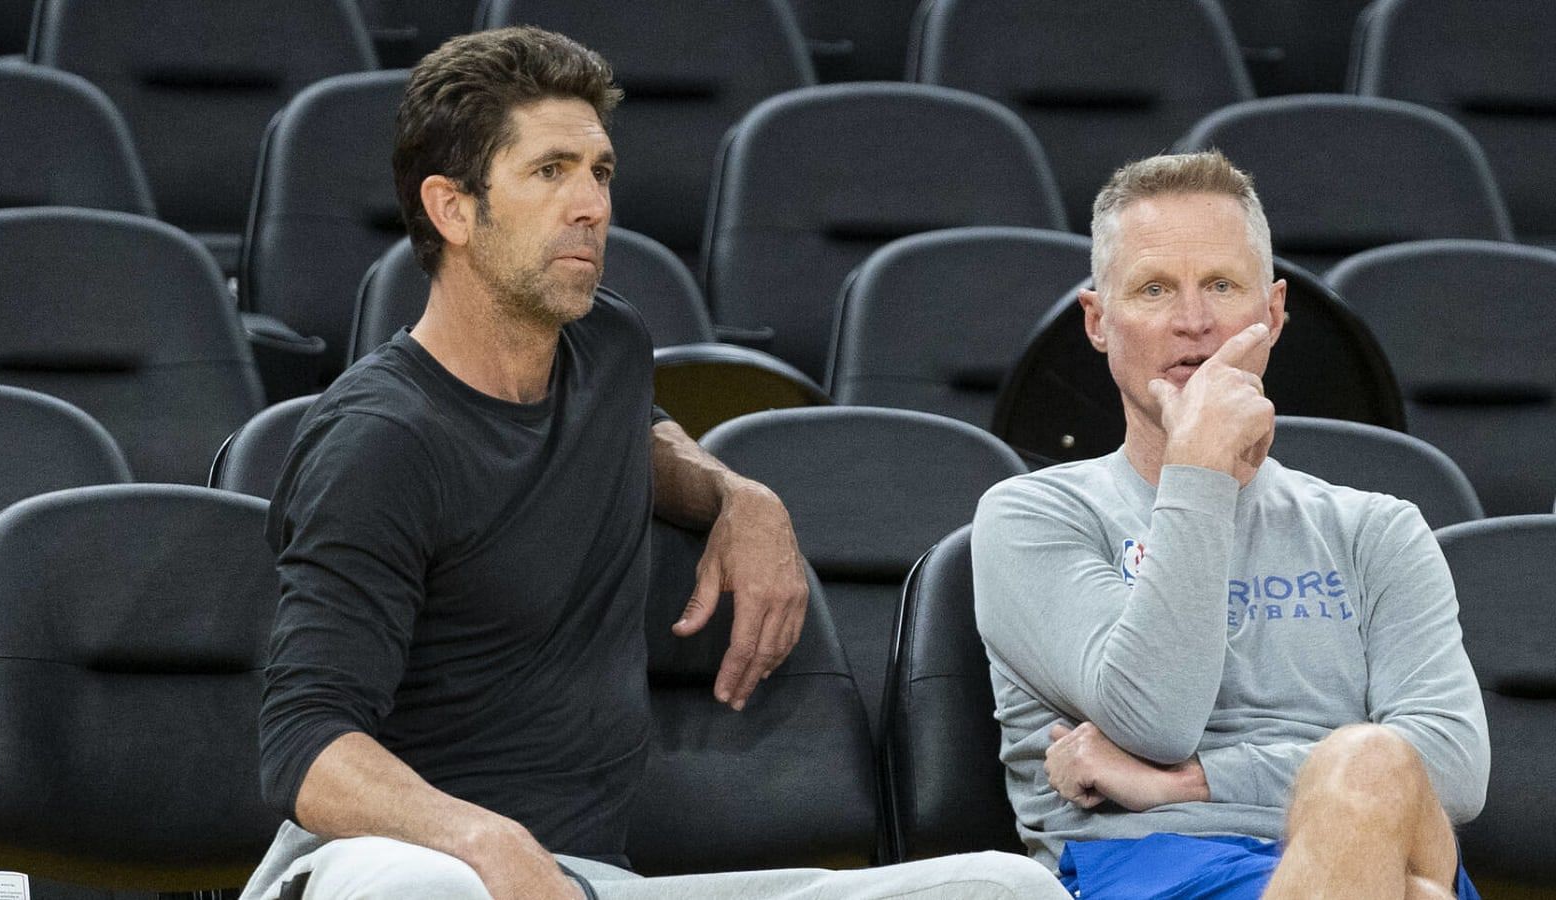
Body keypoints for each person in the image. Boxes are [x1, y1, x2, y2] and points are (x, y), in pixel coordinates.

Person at [239, 26, 1066, 900]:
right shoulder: (379, 440)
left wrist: (743, 500)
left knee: (1005, 888)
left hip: (594, 882)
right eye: (550, 170)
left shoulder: (608, 346)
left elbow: (642, 437)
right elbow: (305, 748)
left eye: (600, 172)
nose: (592, 204)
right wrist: (482, 841)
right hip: (400, 867)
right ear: (452, 208)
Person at [971, 150, 1490, 899]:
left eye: (1221, 285)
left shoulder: (1378, 529)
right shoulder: (1034, 517)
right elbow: (1153, 719)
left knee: (1375, 767)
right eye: (1154, 290)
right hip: (1153, 869)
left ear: (1273, 313)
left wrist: (1186, 782)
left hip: (1375, 848)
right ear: (1098, 322)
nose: (1194, 322)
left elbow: (1454, 768)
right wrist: (1200, 475)